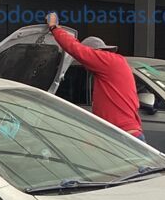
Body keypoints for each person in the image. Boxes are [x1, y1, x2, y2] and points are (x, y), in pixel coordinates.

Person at [45, 12, 143, 140]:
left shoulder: (107, 61)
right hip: (128, 135)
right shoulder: (116, 65)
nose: (86, 67)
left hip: (123, 137)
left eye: (86, 62)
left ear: (95, 52)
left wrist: (54, 27)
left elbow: (75, 48)